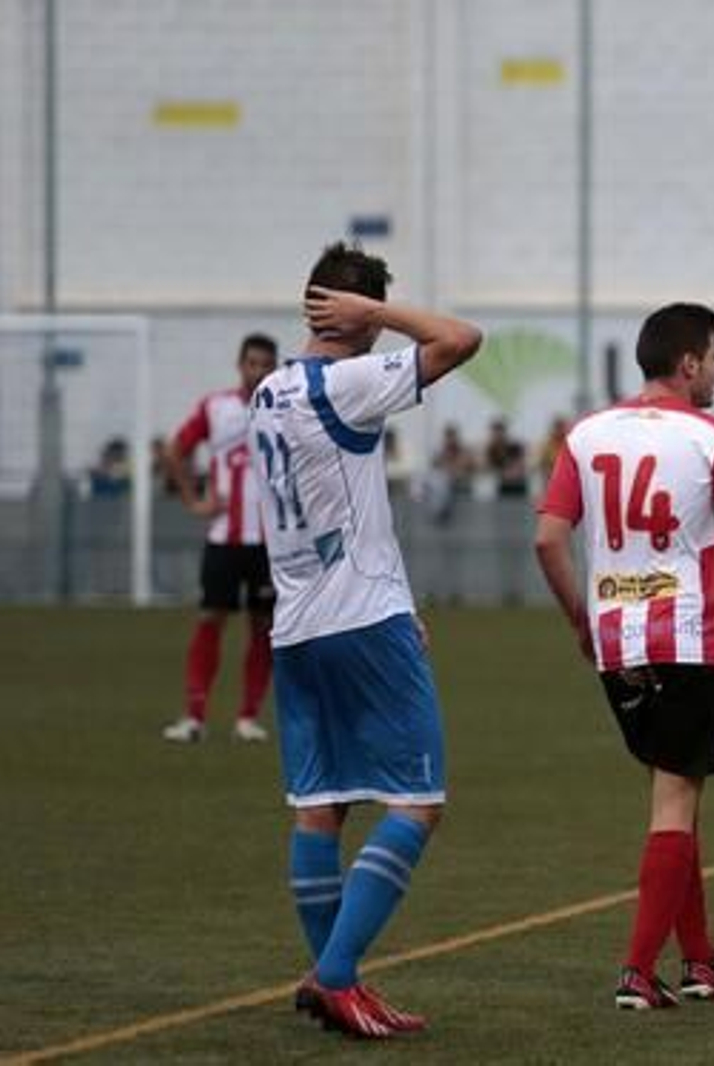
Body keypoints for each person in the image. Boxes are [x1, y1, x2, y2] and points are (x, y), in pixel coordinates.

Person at [251, 242, 482, 1038]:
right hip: (360, 623)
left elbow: (342, 505)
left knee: (321, 807)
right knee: (418, 803)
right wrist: (379, 314)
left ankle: (332, 984)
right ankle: (339, 974)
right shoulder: (346, 382)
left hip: (297, 625)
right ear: (350, 312)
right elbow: (459, 339)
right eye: (370, 317)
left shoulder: (269, 390)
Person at [535, 303, 714, 1011]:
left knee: (675, 796)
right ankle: (638, 973)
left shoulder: (585, 435)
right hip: (685, 637)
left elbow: (549, 540)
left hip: (619, 639)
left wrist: (582, 621)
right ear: (688, 365)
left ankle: (701, 962)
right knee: (677, 800)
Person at [160, 333, 281, 744]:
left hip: (271, 542)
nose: (258, 371)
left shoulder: (286, 406)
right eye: (252, 363)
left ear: (274, 367)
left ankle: (248, 717)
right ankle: (194, 716)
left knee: (264, 628)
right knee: (211, 618)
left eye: (266, 364)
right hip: (223, 539)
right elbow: (176, 449)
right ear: (240, 364)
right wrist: (193, 499)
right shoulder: (217, 407)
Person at [485, 418, 528, 498]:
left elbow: (520, 464)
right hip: (501, 484)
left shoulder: (514, 446)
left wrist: (512, 471)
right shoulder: (491, 450)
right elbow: (488, 466)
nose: (497, 435)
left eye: (499, 432)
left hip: (517, 483)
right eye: (495, 432)